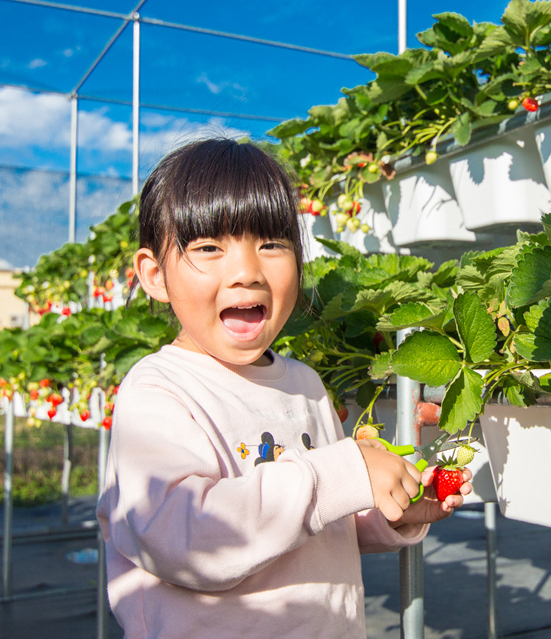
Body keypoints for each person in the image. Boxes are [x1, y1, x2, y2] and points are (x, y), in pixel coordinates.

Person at [95, 138, 472, 639]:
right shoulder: (160, 390)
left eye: (272, 244)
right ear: (155, 275)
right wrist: (343, 470)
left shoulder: (304, 384)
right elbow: (185, 539)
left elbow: (318, 525)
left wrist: (391, 513)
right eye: (209, 248)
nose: (247, 272)